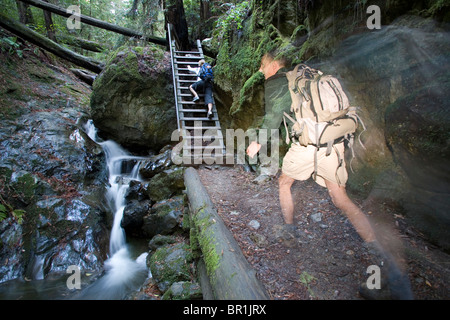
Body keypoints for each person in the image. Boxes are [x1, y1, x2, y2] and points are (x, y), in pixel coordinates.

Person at [246, 51, 413, 300]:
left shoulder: (278, 82)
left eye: (262, 66)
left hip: (306, 146)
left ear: (272, 65)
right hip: (331, 144)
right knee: (342, 200)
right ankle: (390, 271)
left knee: (284, 183)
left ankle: (290, 230)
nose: (261, 72)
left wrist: (256, 143)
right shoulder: (306, 75)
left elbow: (272, 118)